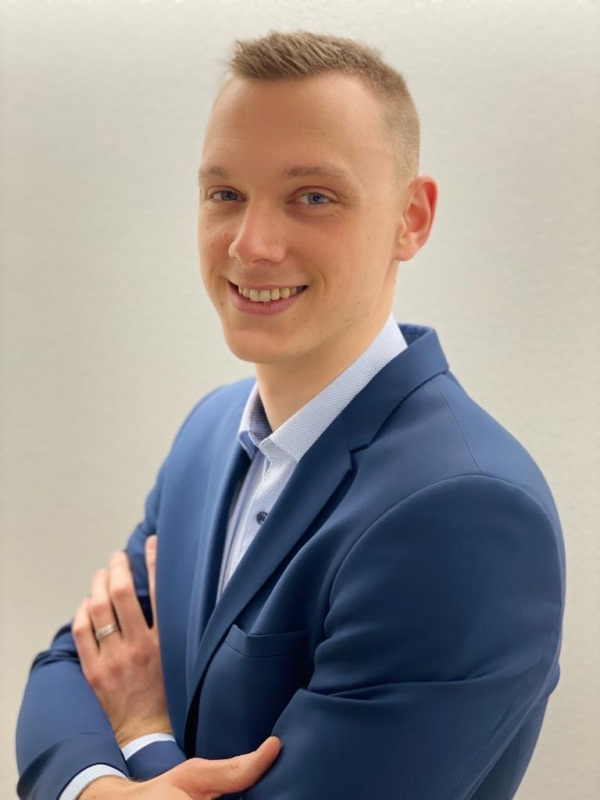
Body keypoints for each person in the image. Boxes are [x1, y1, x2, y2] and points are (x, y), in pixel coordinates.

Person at [15, 31, 565, 800]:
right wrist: (97, 789)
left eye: (312, 197)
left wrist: (140, 731)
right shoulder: (208, 435)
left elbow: (121, 689)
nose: (252, 245)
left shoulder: (467, 513)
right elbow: (74, 663)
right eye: (225, 194)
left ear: (411, 218)